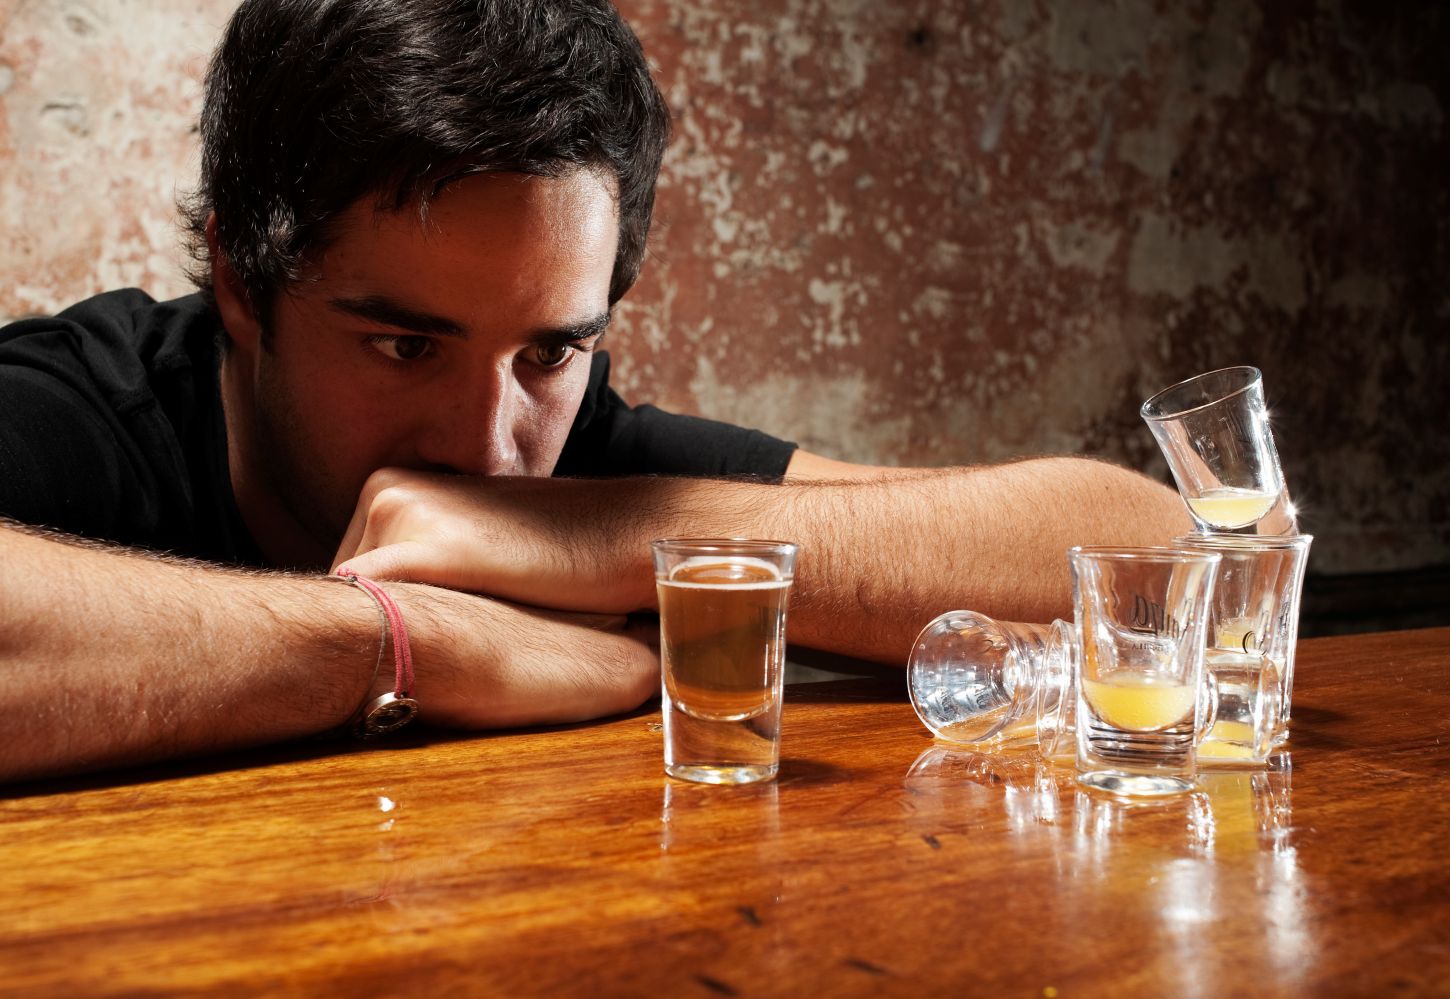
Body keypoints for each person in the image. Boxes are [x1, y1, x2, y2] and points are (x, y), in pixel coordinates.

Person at [0, 0, 1188, 783]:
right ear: (242, 284)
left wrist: (614, 538)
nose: (490, 442)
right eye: (404, 347)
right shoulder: (85, 411)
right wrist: (408, 649)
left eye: (549, 354)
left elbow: (1159, 553)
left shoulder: (575, 472)